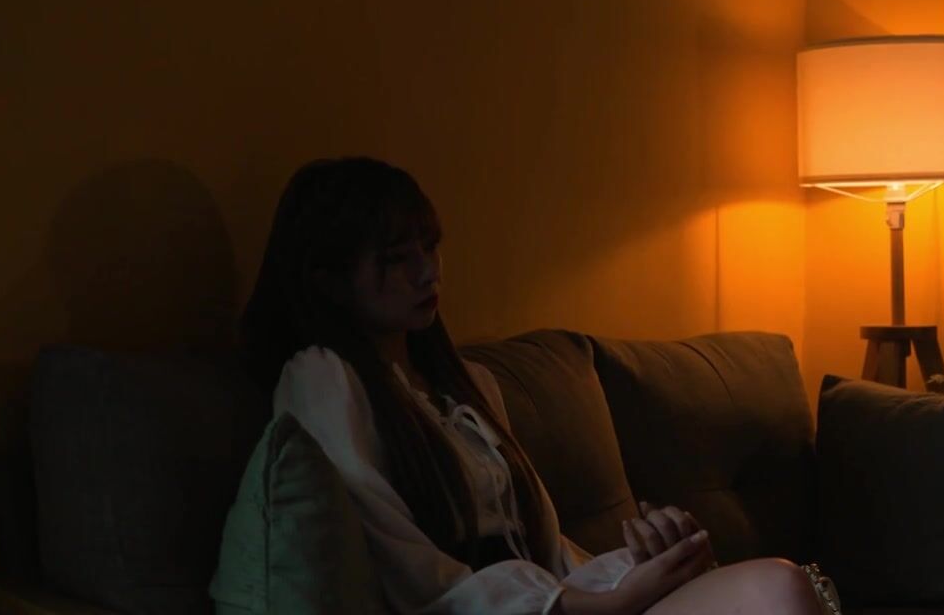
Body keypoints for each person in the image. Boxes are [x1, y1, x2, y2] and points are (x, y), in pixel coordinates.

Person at [241, 157, 830, 614]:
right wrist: (601, 606)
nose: (428, 270)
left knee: (778, 584)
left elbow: (549, 556)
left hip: (559, 603)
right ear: (330, 281)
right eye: (397, 258)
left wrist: (645, 564)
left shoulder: (466, 387)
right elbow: (412, 574)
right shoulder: (322, 378)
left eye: (431, 246)